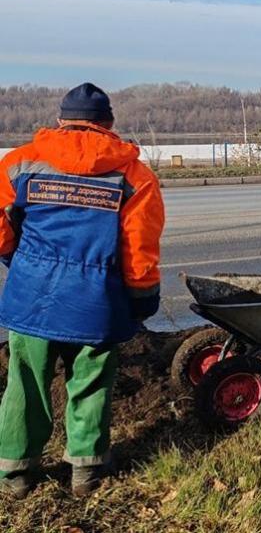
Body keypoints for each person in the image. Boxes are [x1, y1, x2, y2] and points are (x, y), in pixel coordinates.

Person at [0, 83, 165, 498]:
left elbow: (1, 231)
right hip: (97, 299)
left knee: (24, 381)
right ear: (108, 125)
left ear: (60, 120)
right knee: (91, 383)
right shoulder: (134, 176)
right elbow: (138, 247)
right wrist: (143, 298)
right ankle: (86, 473)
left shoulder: (19, 164)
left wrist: (18, 261)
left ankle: (16, 473)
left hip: (31, 297)